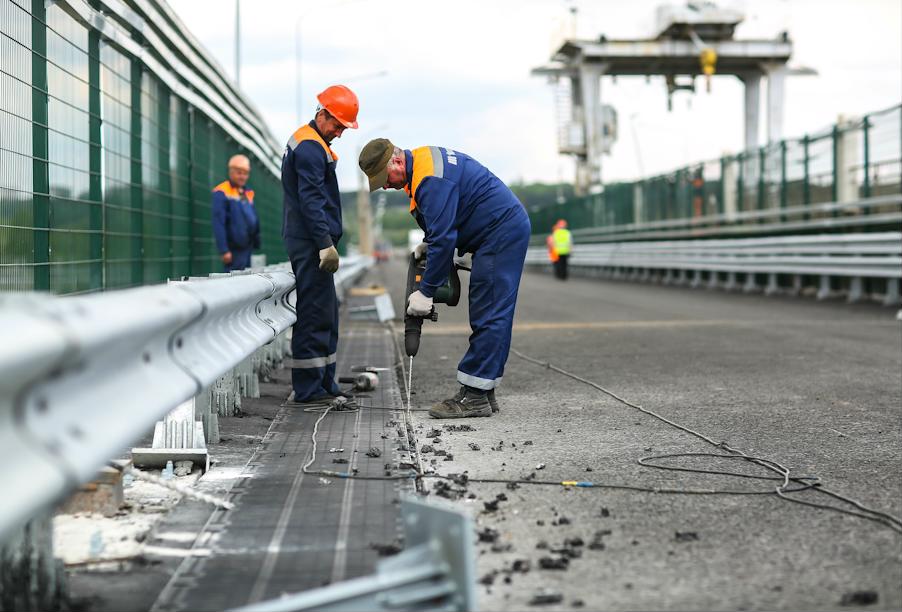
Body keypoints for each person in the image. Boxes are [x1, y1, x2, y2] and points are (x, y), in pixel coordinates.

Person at [359, 140, 531, 419]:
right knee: (488, 310)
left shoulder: (429, 178)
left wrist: (425, 293)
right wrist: (431, 242)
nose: (387, 186)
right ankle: (484, 392)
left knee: (489, 311)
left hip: (500, 231)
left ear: (397, 163)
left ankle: (474, 396)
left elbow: (445, 238)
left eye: (385, 179)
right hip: (498, 230)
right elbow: (444, 223)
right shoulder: (424, 165)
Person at [281, 84, 360, 408]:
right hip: (310, 242)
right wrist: (325, 244)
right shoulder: (311, 148)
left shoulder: (314, 143)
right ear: (322, 114)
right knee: (314, 313)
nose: (340, 133)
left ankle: (324, 381)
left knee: (325, 313)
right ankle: (309, 388)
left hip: (312, 240)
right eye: (338, 125)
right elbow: (311, 200)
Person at [212, 154, 260, 272]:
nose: (242, 176)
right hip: (233, 251)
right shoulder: (221, 192)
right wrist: (224, 250)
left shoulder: (247, 192)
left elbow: (252, 217)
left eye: (245, 173)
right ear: (231, 172)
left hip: (248, 247)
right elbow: (218, 222)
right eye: (239, 173)